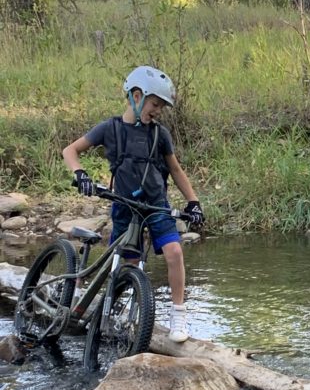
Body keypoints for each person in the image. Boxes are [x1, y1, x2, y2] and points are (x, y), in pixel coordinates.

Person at [62, 66, 204, 344]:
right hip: (125, 207)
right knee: (128, 266)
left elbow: (175, 170)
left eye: (162, 106)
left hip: (155, 205)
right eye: (155, 104)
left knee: (175, 251)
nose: (158, 111)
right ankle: (113, 312)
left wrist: (194, 202)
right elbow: (70, 151)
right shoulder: (110, 129)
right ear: (136, 96)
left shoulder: (160, 134)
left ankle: (178, 313)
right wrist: (80, 175)